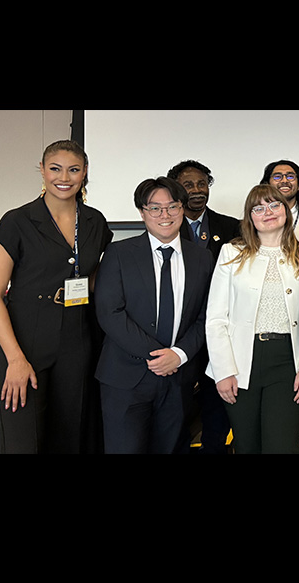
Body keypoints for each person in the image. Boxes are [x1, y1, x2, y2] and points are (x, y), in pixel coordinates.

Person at [0, 140, 113, 453]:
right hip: (25, 340)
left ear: (85, 173)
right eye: (55, 168)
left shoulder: (96, 222)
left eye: (73, 169)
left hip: (76, 340)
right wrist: (15, 359)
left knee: (71, 438)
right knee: (23, 443)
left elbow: (95, 280)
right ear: (42, 171)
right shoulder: (17, 221)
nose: (63, 177)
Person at [95, 177, 213, 454]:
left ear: (183, 209)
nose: (165, 215)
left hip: (178, 379)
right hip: (126, 379)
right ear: (142, 212)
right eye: (155, 208)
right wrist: (159, 356)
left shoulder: (202, 258)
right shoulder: (119, 253)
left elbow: (207, 316)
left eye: (172, 207)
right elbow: (109, 312)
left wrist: (179, 355)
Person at [205, 185, 299, 454]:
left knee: (282, 445)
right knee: (247, 445)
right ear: (250, 217)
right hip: (240, 362)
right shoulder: (231, 253)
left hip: (289, 362)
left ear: (286, 212)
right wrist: (223, 372)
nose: (267, 212)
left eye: (274, 205)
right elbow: (216, 318)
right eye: (259, 208)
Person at [169, 158, 241, 454]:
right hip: (180, 332)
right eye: (189, 185)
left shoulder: (231, 226)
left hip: (220, 331)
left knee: (216, 407)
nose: (197, 190)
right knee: (178, 408)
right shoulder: (165, 226)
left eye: (202, 184)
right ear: (176, 189)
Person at [259, 160, 299, 242]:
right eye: (277, 177)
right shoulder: (256, 218)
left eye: (290, 176)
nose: (284, 181)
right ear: (267, 185)